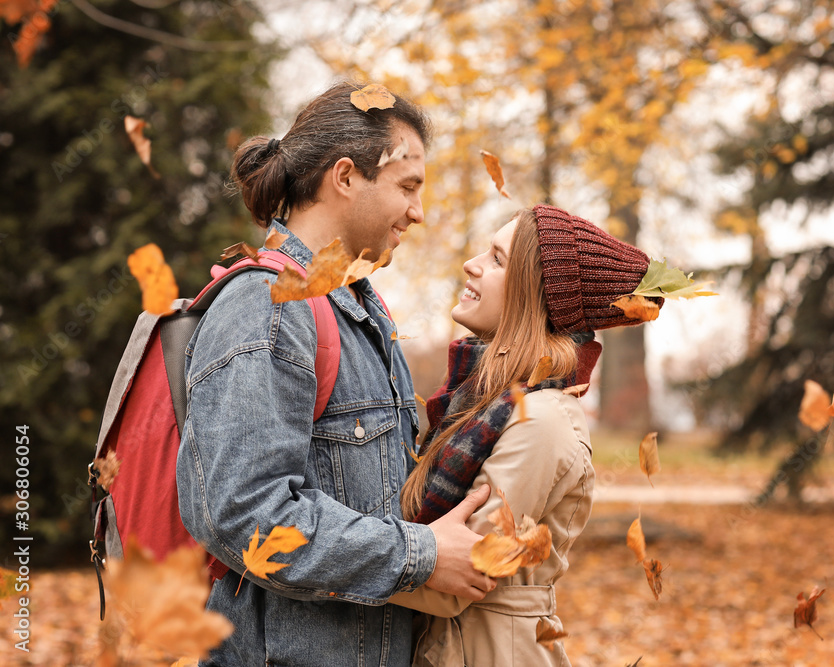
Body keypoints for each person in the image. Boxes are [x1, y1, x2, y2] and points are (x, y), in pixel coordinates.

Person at [175, 82, 496, 667]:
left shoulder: (362, 313)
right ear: (345, 177)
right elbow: (251, 518)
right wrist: (420, 554)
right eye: (407, 186)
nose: (419, 212)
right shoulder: (269, 308)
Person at [389, 204, 663, 666]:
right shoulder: (486, 401)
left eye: (497, 259)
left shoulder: (539, 420)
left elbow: (465, 574)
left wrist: (327, 554)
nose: (471, 264)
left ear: (534, 299)